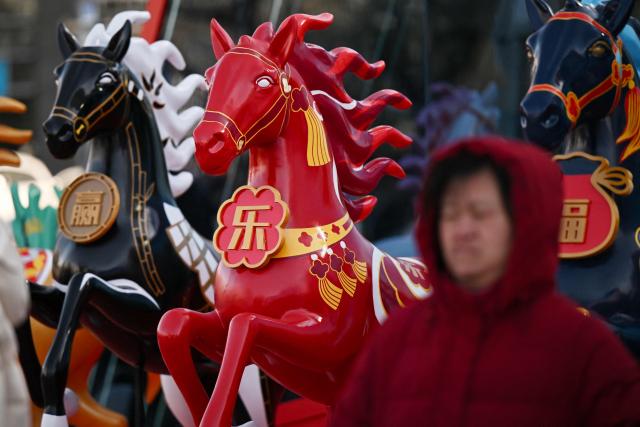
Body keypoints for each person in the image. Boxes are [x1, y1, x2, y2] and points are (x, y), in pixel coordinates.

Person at [329, 136, 640, 427]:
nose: (463, 229)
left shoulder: (582, 346)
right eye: (449, 214)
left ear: (525, 219)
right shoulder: (397, 339)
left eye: (480, 213)